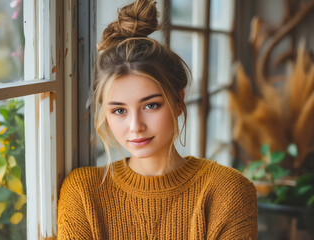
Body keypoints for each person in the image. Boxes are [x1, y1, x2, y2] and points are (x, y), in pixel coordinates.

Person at [57, 0, 258, 239]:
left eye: (150, 105)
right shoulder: (82, 192)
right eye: (119, 111)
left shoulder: (229, 191)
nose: (136, 127)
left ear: (178, 101)